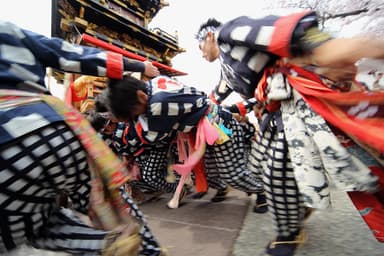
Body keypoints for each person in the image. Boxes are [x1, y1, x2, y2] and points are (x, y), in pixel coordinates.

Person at [196, 10, 384, 256]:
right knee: (273, 169)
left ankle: (289, 231)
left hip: (300, 98)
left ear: (209, 36)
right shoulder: (227, 70)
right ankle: (296, 210)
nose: (201, 53)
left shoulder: (229, 32)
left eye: (200, 47)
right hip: (278, 112)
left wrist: (330, 51)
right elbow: (215, 99)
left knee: (288, 169)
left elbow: (293, 33)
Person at [0, 20, 166, 255]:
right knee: (117, 212)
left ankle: (104, 246)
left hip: (6, 147)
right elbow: (70, 54)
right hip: (56, 131)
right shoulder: (7, 30)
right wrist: (138, 65)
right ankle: (139, 247)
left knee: (25, 234)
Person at [105, 74, 265, 208]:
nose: (136, 119)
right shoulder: (155, 83)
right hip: (203, 128)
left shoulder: (158, 104)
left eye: (134, 114)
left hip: (218, 125)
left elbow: (152, 137)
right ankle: (224, 189)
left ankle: (262, 190)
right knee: (209, 171)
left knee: (231, 174)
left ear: (141, 96)